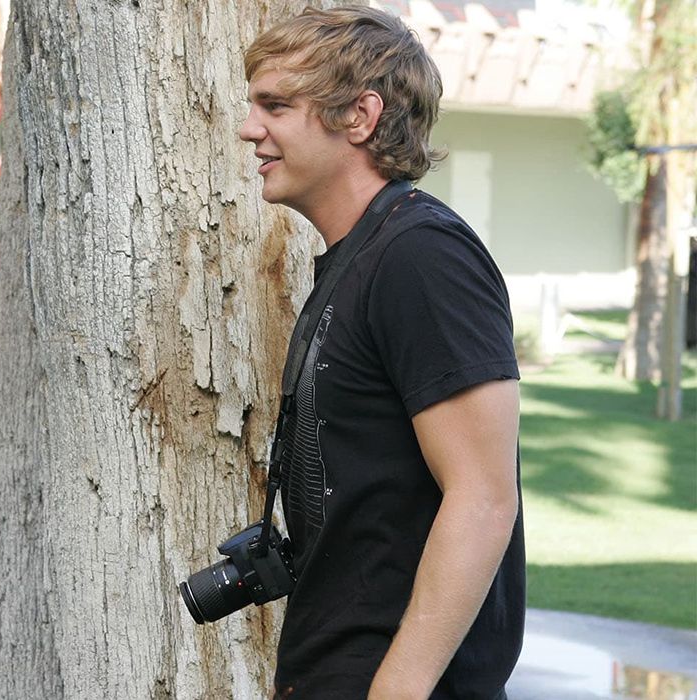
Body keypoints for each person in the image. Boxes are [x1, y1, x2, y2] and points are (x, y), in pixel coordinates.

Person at [237, 7, 525, 698]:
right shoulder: (360, 256)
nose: (250, 129)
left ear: (359, 116)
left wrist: (398, 686)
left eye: (276, 105)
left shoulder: (422, 256)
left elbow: (483, 496)